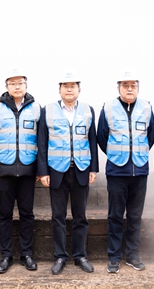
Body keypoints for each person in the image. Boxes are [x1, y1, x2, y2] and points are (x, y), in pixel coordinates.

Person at [37, 71, 99, 275]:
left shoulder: (88, 110)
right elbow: (42, 142)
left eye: (73, 86)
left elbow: (92, 140)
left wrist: (93, 168)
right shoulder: (48, 110)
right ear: (60, 89)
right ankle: (60, 256)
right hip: (57, 170)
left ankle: (80, 255)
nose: (69, 89)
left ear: (79, 89)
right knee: (58, 216)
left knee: (80, 216)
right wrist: (43, 172)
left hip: (81, 169)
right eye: (65, 86)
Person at [0, 68, 41, 274]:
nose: (17, 87)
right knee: (4, 215)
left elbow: (42, 142)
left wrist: (40, 170)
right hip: (4, 172)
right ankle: (6, 255)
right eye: (13, 83)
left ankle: (26, 254)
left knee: (27, 214)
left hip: (27, 171)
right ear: (6, 86)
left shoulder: (36, 108)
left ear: (26, 85)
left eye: (20, 83)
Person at [97, 71, 154, 274]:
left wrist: (136, 154)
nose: (129, 89)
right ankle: (114, 257)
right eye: (125, 85)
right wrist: (118, 155)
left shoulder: (147, 108)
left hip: (140, 171)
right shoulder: (108, 108)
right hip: (117, 172)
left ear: (138, 87)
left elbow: (151, 136)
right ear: (118, 87)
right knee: (115, 215)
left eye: (133, 85)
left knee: (135, 215)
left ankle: (132, 255)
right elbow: (102, 137)